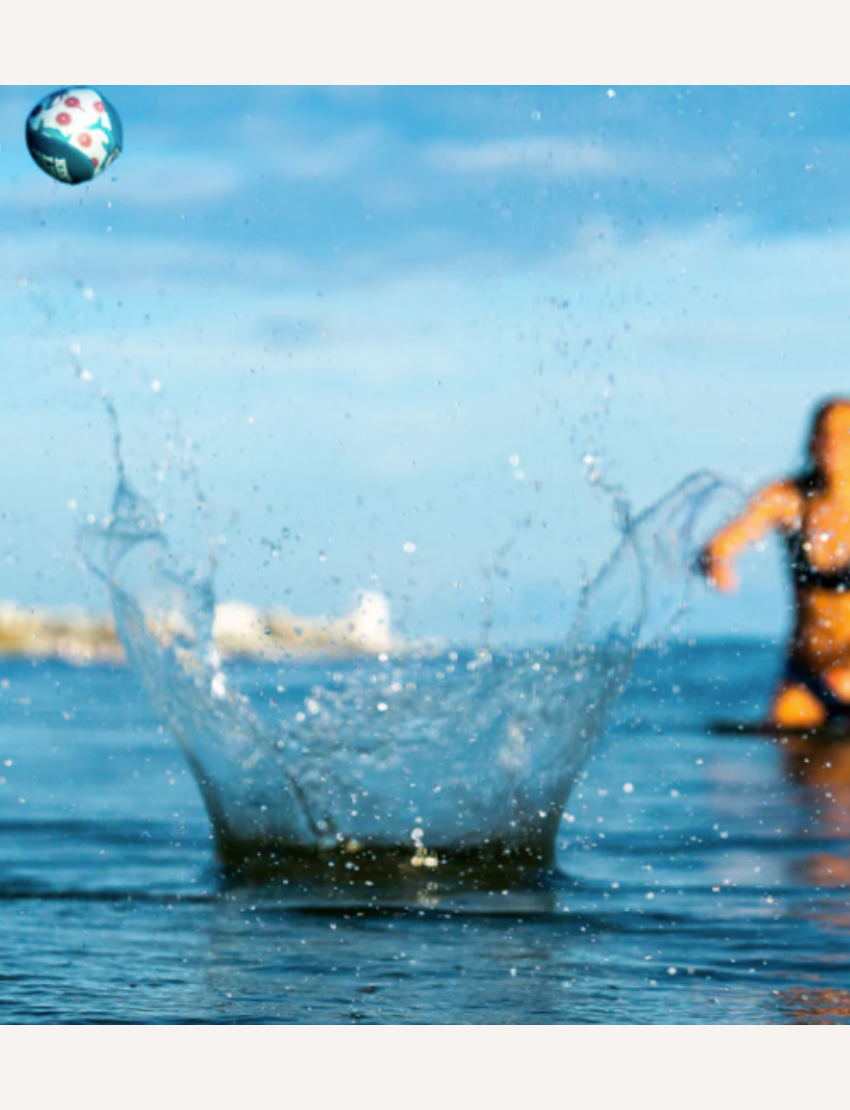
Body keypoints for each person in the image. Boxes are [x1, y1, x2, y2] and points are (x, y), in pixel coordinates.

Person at [700, 398, 850, 729]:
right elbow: (723, 541)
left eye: (844, 434)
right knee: (781, 750)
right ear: (811, 442)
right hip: (807, 675)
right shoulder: (789, 499)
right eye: (824, 434)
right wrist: (716, 560)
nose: (833, 444)